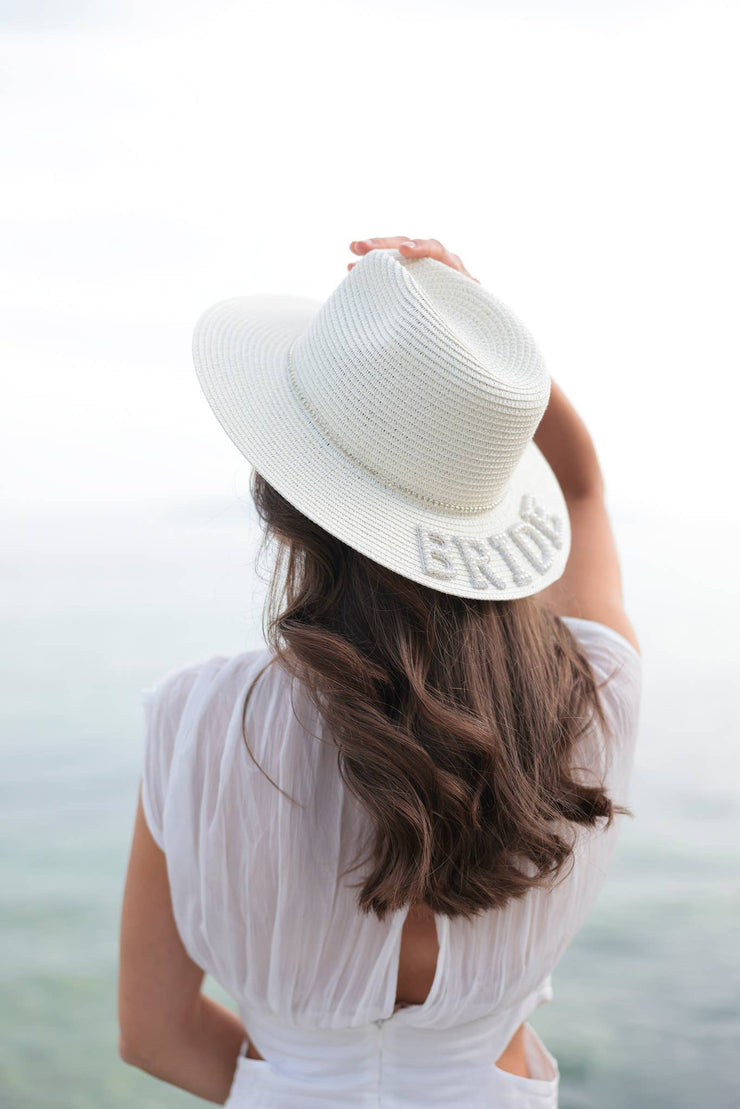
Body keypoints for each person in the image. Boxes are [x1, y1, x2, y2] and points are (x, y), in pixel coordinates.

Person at [118, 236, 642, 1108]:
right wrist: (486, 365)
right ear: (489, 521)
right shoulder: (594, 697)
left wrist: (293, 1085)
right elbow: (583, 492)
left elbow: (155, 1033)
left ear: (280, 502)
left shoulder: (194, 722)